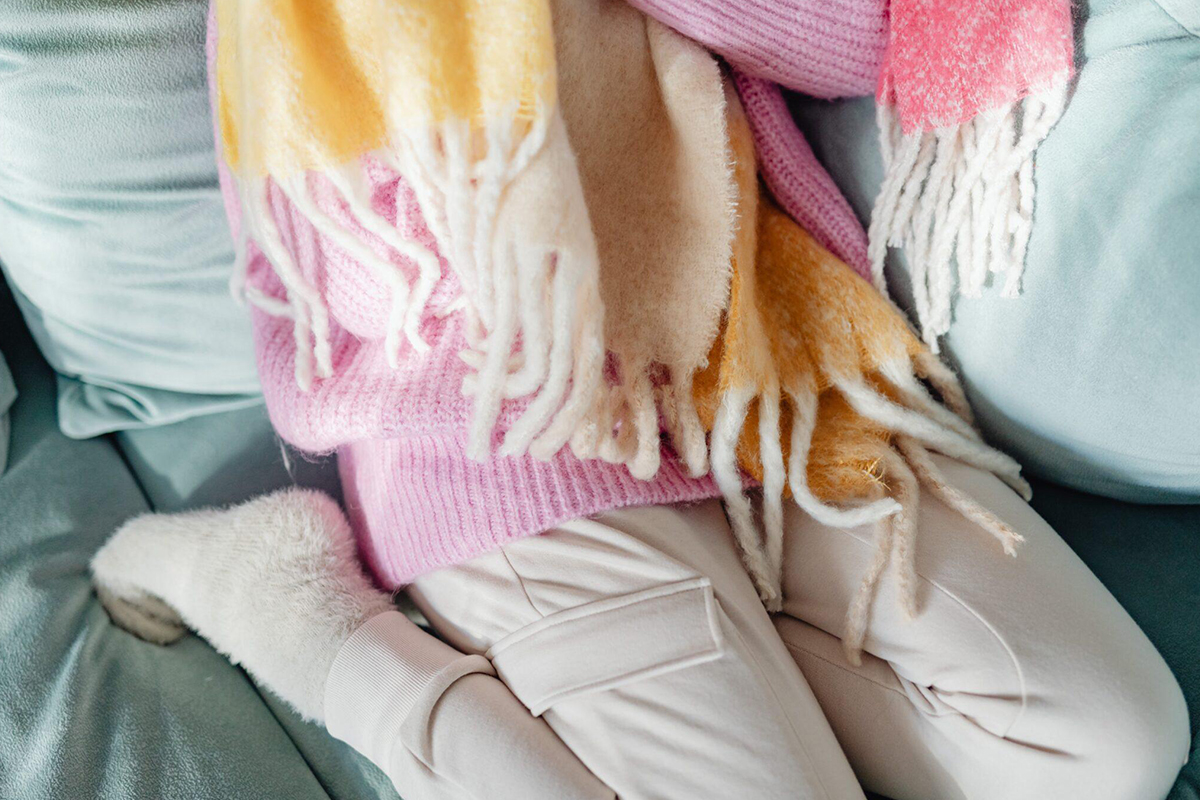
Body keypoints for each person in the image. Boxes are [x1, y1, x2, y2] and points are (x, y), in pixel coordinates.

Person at [92, 1, 1191, 798]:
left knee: (1111, 740)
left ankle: (750, 686)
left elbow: (855, 34)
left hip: (757, 381)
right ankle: (299, 616)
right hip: (505, 436)